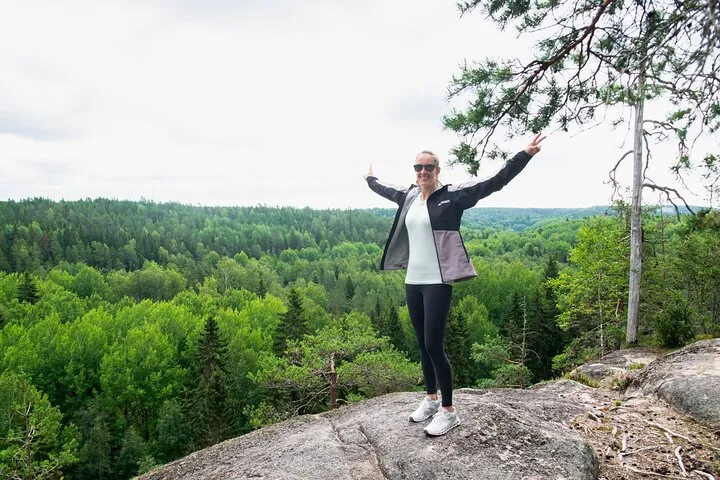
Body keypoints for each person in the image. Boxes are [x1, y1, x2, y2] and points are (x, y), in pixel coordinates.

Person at [364, 133, 546, 436]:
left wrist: (524, 155)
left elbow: (495, 181)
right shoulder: (409, 195)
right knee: (422, 344)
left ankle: (449, 412)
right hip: (413, 280)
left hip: (438, 281)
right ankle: (431, 399)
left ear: (438, 170)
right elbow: (385, 188)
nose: (423, 172)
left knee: (434, 344)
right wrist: (370, 179)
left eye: (429, 168)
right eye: (418, 167)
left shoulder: (453, 196)